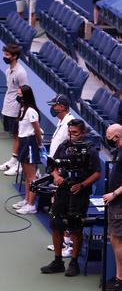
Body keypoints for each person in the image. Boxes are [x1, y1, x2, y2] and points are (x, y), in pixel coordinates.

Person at [41, 119, 101, 277]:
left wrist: (82, 185)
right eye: (69, 132)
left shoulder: (90, 150)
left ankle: (74, 263)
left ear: (82, 133)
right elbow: (51, 165)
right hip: (62, 191)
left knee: (75, 226)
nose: (71, 135)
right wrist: (56, 176)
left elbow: (97, 173)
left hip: (79, 193)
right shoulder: (64, 146)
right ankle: (58, 261)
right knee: (56, 224)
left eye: (74, 133)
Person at [45, 94, 75, 257]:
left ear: (62, 107)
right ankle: (63, 240)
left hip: (63, 173)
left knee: (66, 208)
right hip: (55, 169)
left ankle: (68, 242)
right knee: (56, 205)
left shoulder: (69, 124)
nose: (53, 108)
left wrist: (60, 172)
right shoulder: (62, 122)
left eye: (55, 105)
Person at [0, 44, 28, 175]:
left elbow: (25, 91)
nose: (5, 57)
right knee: (15, 135)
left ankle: (19, 163)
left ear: (15, 56)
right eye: (5, 54)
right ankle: (13, 160)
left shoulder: (21, 73)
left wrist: (22, 110)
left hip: (17, 108)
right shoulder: (8, 71)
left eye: (8, 55)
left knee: (19, 135)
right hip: (8, 106)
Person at [11, 85, 43, 215]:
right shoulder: (23, 109)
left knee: (32, 176)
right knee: (26, 175)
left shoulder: (31, 111)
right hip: (24, 142)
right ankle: (26, 199)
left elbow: (37, 130)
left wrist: (39, 145)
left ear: (25, 96)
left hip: (30, 143)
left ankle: (31, 205)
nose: (18, 96)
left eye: (20, 94)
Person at [103, 124, 122, 291]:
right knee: (115, 238)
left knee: (117, 239)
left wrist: (114, 194)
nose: (107, 139)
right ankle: (118, 275)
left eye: (109, 136)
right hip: (115, 203)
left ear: (117, 136)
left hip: (119, 203)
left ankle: (120, 278)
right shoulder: (119, 151)